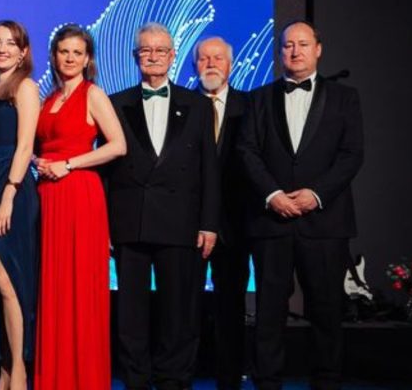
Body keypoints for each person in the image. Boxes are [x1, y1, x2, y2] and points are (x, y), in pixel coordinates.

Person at [238, 20, 363, 390]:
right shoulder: (258, 98)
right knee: (268, 312)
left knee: (326, 310)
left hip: (325, 223)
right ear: (280, 52)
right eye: (288, 45)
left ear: (318, 50)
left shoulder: (345, 98)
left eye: (303, 44)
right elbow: (246, 151)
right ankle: (267, 382)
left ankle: (326, 381)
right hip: (271, 222)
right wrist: (273, 195)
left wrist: (316, 194)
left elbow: (352, 155)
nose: (295, 51)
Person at [105, 22, 220, 390]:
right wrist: (104, 226)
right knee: (131, 314)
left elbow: (209, 168)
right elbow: (105, 170)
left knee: (178, 311)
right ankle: (136, 380)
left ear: (173, 56)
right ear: (135, 56)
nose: (153, 57)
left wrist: (209, 223)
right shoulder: (114, 103)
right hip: (130, 221)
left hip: (181, 221)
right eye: (146, 50)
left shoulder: (198, 105)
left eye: (160, 51)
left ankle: (174, 380)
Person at [32, 24, 126, 390]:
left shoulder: (93, 94)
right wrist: (39, 161)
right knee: (52, 290)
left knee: (80, 289)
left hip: (79, 196)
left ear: (88, 59)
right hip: (49, 196)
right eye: (64, 52)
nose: (70, 58)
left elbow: (117, 145)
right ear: (54, 56)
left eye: (77, 52)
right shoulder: (49, 98)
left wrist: (69, 164)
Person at [0, 20, 41, 390]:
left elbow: (25, 145)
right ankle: (5, 370)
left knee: (9, 281)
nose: (2, 48)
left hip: (12, 189)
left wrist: (9, 193)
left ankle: (19, 369)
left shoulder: (26, 87)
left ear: (23, 51)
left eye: (10, 43)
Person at [192, 36, 252, 390]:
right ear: (194, 64)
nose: (211, 64)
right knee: (185, 308)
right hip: (188, 224)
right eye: (204, 58)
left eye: (218, 58)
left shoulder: (250, 106)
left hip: (235, 224)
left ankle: (229, 380)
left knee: (231, 307)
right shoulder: (182, 106)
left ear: (230, 64)